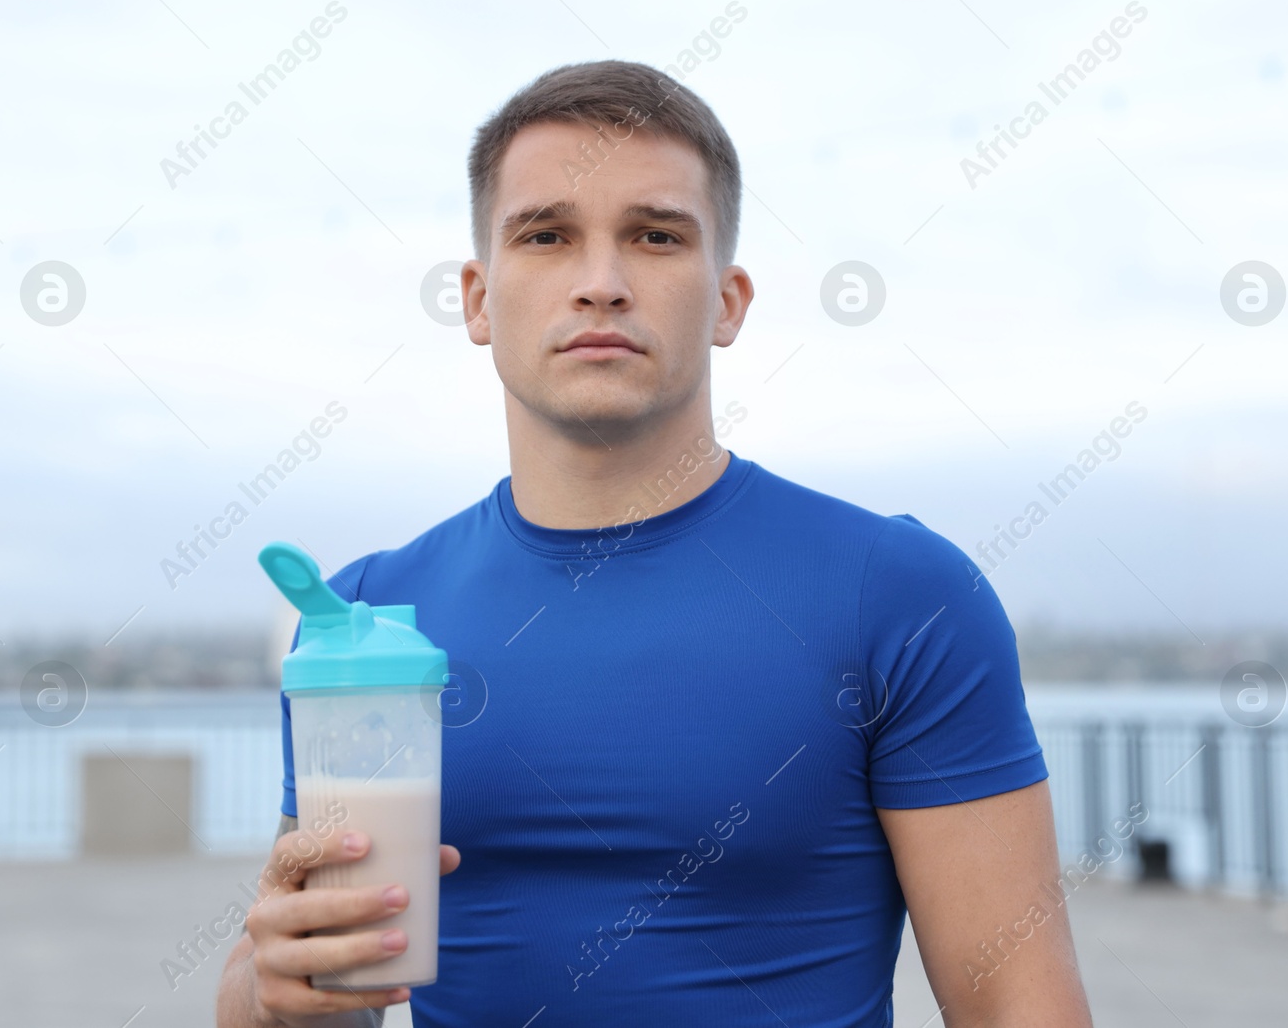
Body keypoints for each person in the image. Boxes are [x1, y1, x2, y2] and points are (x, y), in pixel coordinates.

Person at [218, 59, 1092, 1027]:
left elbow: (1021, 1002)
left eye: (656, 235)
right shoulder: (365, 621)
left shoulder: (898, 594)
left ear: (726, 298)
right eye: (546, 235)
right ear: (475, 297)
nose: (601, 283)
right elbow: (320, 991)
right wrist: (273, 993)